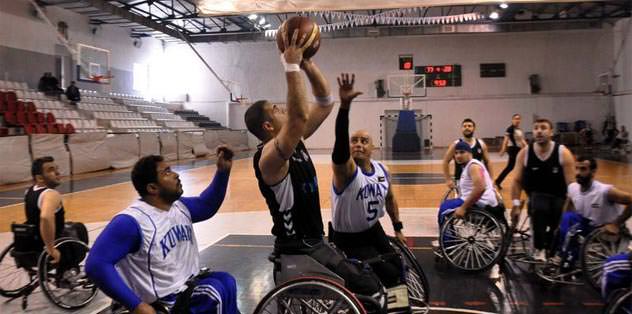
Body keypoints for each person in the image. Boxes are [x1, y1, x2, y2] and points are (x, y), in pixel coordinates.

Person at [244, 30, 383, 299]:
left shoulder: (295, 140)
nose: (282, 108)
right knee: (370, 289)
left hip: (315, 241)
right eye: (276, 108)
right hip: (299, 248)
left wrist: (306, 63)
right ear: (268, 126)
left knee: (370, 274)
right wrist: (291, 65)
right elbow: (297, 116)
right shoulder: (269, 157)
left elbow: (324, 101)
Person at [85, 147, 239, 314]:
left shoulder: (179, 207)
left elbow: (207, 205)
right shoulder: (131, 221)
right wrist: (137, 305)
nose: (176, 175)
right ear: (152, 188)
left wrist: (222, 172)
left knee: (226, 281)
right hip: (161, 303)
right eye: (166, 172)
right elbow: (96, 264)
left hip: (185, 288)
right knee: (213, 292)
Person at [329, 73, 406, 289]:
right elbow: (340, 148)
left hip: (373, 229)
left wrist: (398, 227)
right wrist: (344, 107)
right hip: (347, 237)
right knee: (381, 278)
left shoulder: (382, 170)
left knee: (398, 266)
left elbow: (390, 199)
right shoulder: (346, 172)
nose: (359, 145)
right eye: (354, 141)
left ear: (373, 147)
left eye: (364, 141)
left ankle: (396, 307)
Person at [510, 118, 576, 261]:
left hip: (559, 196)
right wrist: (515, 205)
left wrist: (570, 209)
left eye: (543, 128)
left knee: (559, 221)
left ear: (551, 132)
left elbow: (572, 185)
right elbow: (516, 181)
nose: (539, 131)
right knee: (539, 205)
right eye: (536, 128)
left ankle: (554, 249)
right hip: (536, 197)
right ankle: (539, 248)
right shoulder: (525, 153)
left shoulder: (563, 152)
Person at [437, 141, 503, 277]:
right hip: (483, 202)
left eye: (462, 152)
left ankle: (448, 244)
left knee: (443, 209)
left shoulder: (472, 166)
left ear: (470, 153)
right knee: (446, 206)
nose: (458, 155)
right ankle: (450, 239)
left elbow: (480, 188)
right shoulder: (470, 165)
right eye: (456, 153)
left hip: (481, 204)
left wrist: (463, 207)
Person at [556, 155, 632, 271]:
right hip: (588, 224)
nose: (578, 172)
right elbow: (568, 204)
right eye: (576, 168)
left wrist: (616, 224)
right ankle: (562, 255)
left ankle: (567, 260)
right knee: (566, 219)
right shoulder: (572, 187)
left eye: (583, 169)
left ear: (593, 171)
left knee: (574, 232)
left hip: (606, 227)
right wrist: (561, 225)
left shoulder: (605, 191)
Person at [24, 156, 89, 285]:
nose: (58, 172)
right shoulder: (50, 194)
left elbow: (35, 217)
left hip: (32, 241)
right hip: (51, 243)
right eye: (51, 170)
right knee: (79, 229)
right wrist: (51, 248)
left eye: (56, 168)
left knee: (73, 225)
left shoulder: (29, 191)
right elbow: (45, 217)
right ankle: (68, 269)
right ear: (40, 178)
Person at [442, 118, 493, 189]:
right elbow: (445, 161)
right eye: (464, 126)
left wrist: (491, 179)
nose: (467, 128)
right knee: (465, 200)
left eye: (469, 126)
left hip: (479, 179)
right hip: (461, 181)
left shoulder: (481, 144)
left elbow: (488, 162)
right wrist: (448, 180)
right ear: (461, 129)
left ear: (474, 128)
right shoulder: (456, 144)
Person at [495, 114, 527, 190]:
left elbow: (522, 140)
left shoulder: (519, 130)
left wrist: (527, 147)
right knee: (521, 166)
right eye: (515, 119)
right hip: (512, 149)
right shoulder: (510, 129)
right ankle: (523, 183)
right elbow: (506, 140)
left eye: (519, 119)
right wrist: (503, 149)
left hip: (518, 149)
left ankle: (498, 181)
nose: (517, 120)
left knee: (510, 167)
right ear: (512, 120)